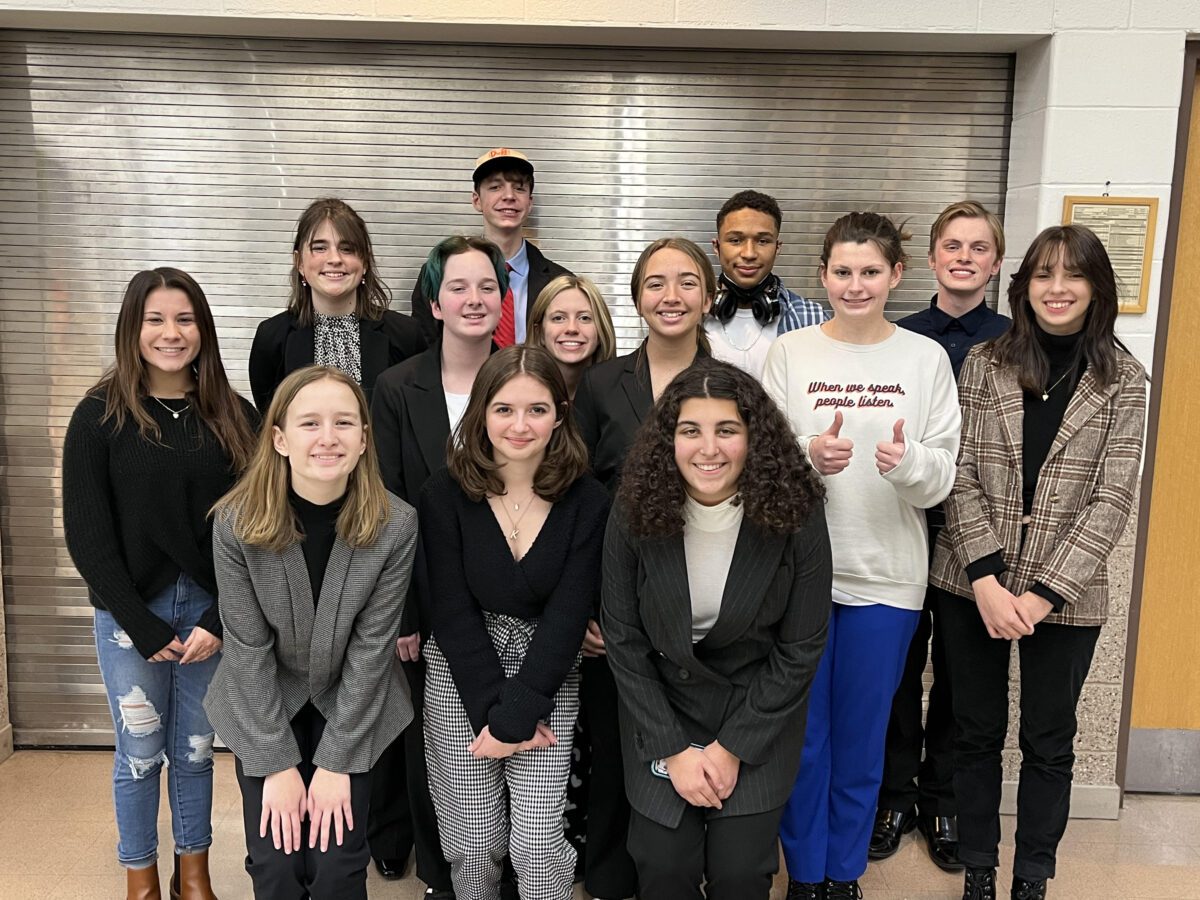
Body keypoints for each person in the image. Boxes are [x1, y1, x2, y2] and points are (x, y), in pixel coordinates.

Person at [931, 225, 1146, 900]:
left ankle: (1031, 876)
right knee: (974, 731)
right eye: (1044, 275)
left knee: (1049, 742)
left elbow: (1113, 498)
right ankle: (978, 870)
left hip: (1068, 595)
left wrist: (1043, 594)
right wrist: (989, 580)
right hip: (971, 584)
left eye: (1073, 275)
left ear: (1096, 288)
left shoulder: (1126, 378)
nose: (1058, 289)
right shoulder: (985, 362)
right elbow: (958, 476)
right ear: (1024, 285)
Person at [764, 212, 961, 900]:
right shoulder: (790, 354)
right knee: (804, 742)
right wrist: (808, 459)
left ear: (896, 275)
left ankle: (843, 874)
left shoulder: (924, 359)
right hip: (801, 580)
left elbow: (941, 475)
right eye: (842, 272)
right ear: (823, 275)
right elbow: (759, 467)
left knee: (860, 741)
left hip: (889, 578)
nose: (856, 285)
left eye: (870, 271)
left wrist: (907, 463)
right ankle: (805, 875)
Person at [602, 358, 832, 899]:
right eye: (690, 431)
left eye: (727, 430)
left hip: (755, 712)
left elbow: (801, 648)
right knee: (661, 866)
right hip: (663, 711)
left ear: (755, 437)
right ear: (668, 439)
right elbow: (624, 640)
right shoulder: (632, 509)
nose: (709, 449)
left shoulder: (797, 511)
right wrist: (674, 751)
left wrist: (732, 748)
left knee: (740, 871)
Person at [62, 267, 258, 900]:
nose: (171, 333)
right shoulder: (98, 416)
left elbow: (256, 528)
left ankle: (193, 875)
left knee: (198, 749)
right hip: (129, 614)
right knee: (141, 752)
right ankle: (140, 878)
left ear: (202, 328)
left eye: (185, 319)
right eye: (155, 319)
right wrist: (137, 622)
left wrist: (221, 617)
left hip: (210, 611)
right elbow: (88, 537)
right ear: (133, 328)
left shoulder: (235, 415)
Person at [205, 366, 418, 900]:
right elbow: (248, 649)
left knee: (337, 864)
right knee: (276, 866)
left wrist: (337, 761)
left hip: (352, 699)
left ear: (364, 438)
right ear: (279, 438)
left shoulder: (396, 523)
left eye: (344, 422)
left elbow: (372, 651)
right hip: (263, 698)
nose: (328, 437)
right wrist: (276, 763)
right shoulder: (235, 523)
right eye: (309, 423)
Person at [418, 344, 609, 900]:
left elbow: (571, 612)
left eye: (537, 409)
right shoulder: (443, 493)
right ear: (480, 413)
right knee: (474, 840)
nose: (520, 425)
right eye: (503, 409)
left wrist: (521, 711)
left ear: (560, 414)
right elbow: (449, 608)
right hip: (462, 672)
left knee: (536, 841)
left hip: (546, 673)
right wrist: (493, 716)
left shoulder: (588, 500)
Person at [571, 236, 716, 900]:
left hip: (707, 599)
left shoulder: (731, 384)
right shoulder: (602, 384)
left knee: (692, 742)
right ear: (636, 300)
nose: (671, 296)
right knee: (615, 744)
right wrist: (590, 607)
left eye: (687, 282)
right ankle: (610, 872)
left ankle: (690, 868)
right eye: (656, 283)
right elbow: (577, 496)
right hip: (618, 595)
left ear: (708, 297)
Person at [870, 201, 1011, 871]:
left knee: (961, 676)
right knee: (897, 671)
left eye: (977, 247)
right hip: (902, 525)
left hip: (977, 541)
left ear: (995, 261)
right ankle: (893, 795)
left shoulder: (1016, 341)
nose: (963, 256)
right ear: (929, 259)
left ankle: (943, 800)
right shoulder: (899, 339)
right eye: (951, 245)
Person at [369, 234, 507, 897]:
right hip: (425, 599)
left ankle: (504, 869)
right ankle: (441, 873)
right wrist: (402, 611)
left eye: (487, 286)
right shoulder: (398, 388)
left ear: (503, 298)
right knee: (435, 745)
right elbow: (387, 506)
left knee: (508, 733)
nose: (474, 299)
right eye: (458, 286)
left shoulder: (523, 378)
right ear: (434, 300)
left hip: (514, 597)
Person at [248, 197, 426, 413]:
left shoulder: (406, 336)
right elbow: (272, 418)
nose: (334, 259)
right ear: (299, 263)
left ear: (365, 262)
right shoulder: (272, 338)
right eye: (320, 248)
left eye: (347, 249)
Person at [410, 148, 572, 346]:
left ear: (529, 203)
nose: (509, 196)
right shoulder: (439, 273)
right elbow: (422, 348)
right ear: (476, 200)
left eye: (519, 188)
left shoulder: (561, 282)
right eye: (496, 187)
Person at [705, 190, 828, 378]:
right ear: (717, 247)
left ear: (777, 248)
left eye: (762, 241)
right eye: (735, 240)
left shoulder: (813, 319)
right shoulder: (693, 316)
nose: (749, 253)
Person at [526, 274, 618, 398]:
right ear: (539, 333)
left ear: (601, 331)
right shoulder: (515, 395)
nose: (572, 329)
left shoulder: (623, 397)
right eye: (558, 318)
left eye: (584, 318)